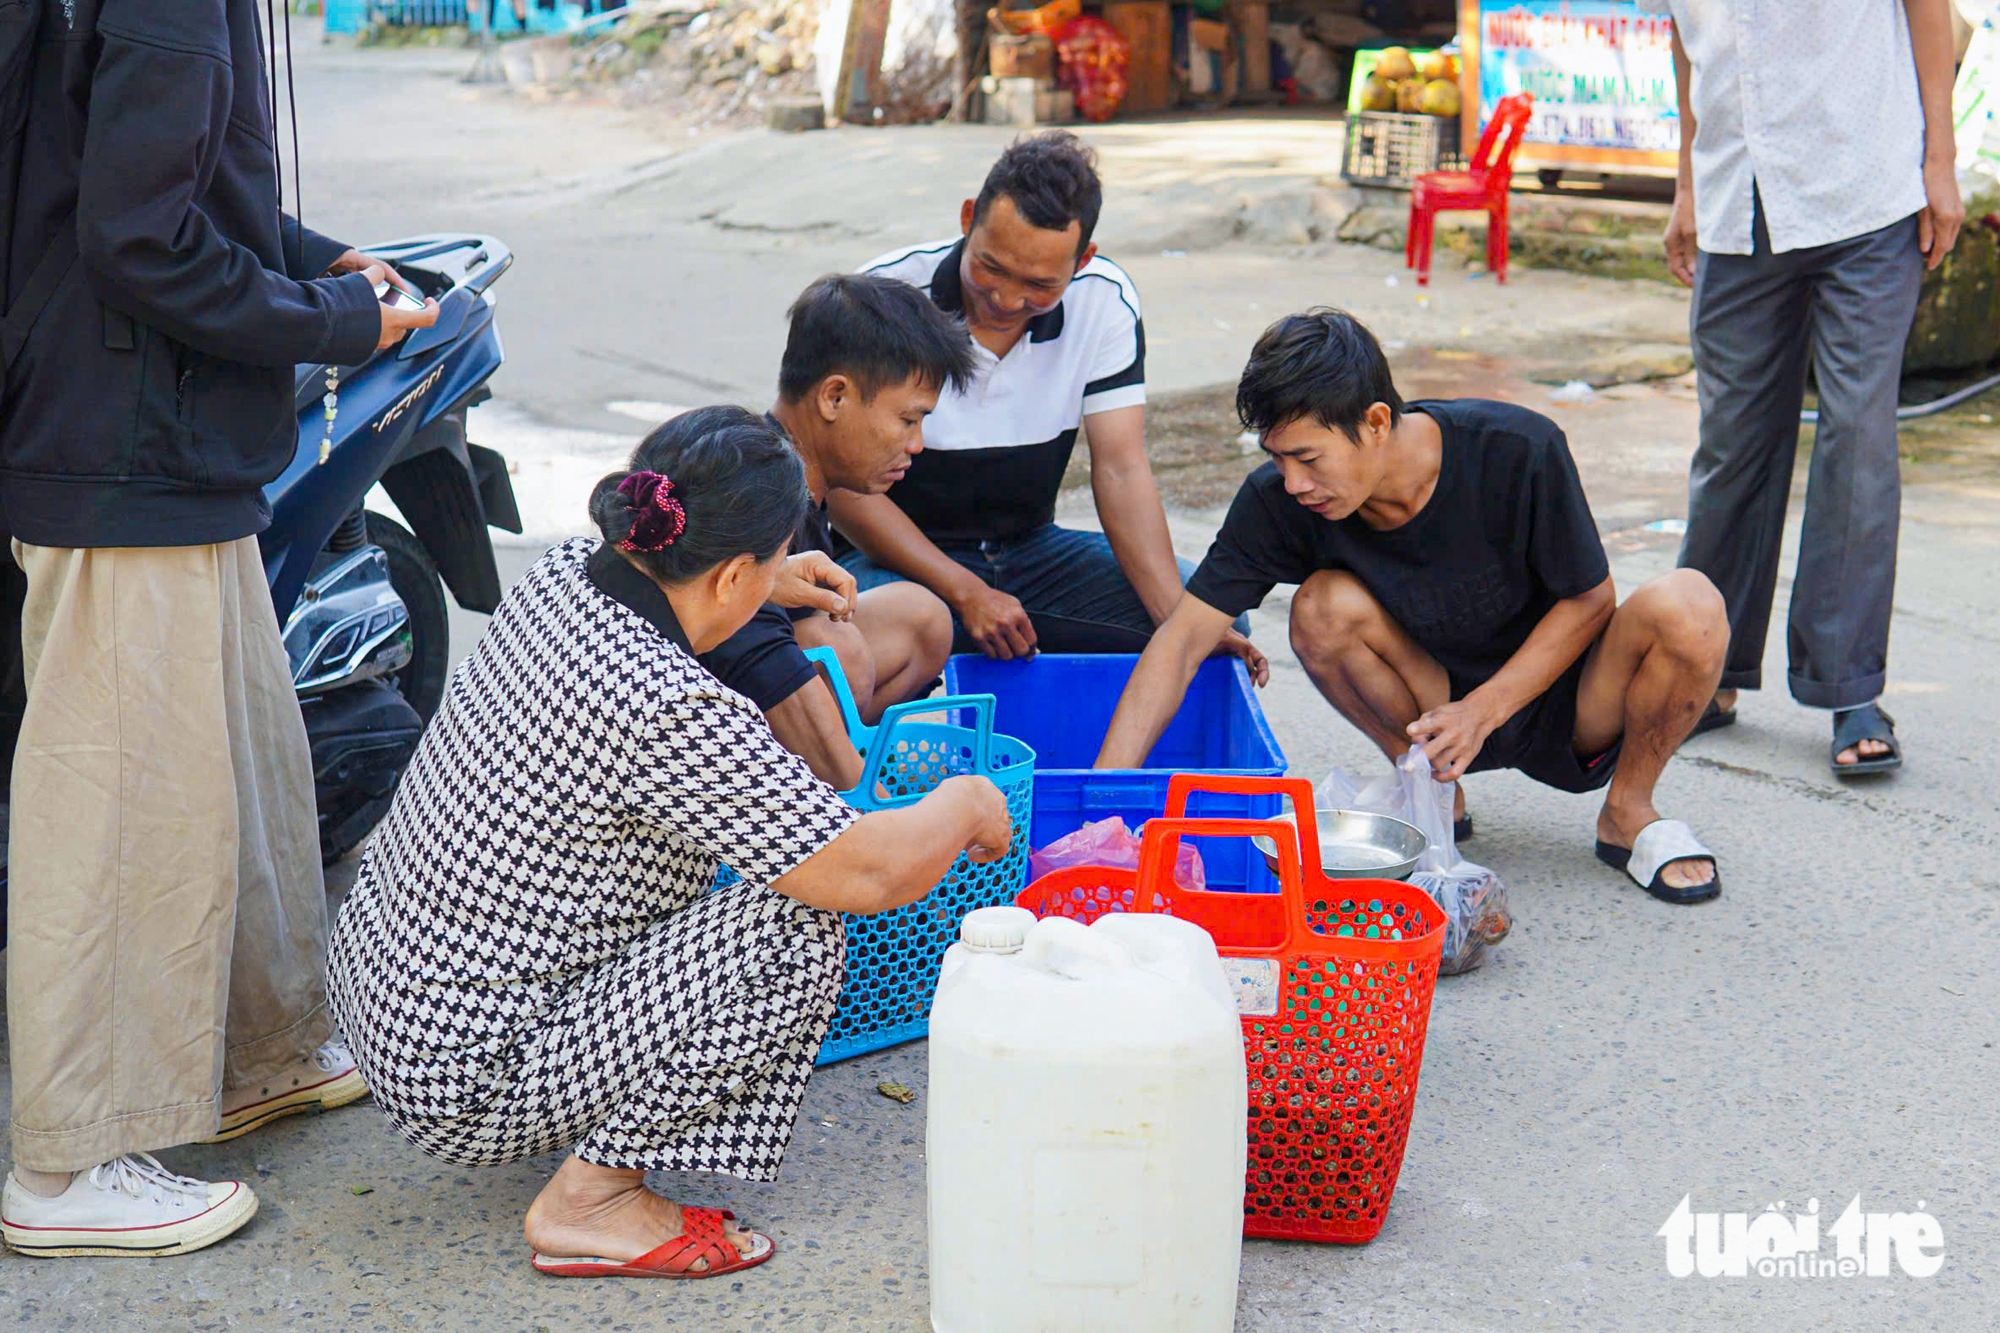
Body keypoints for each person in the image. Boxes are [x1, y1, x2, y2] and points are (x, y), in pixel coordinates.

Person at [325, 409, 1012, 1280]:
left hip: (381, 994)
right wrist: (964, 801)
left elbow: (682, 600)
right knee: (797, 927)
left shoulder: (564, 576)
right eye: (765, 562)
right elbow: (866, 869)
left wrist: (767, 579)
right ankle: (591, 1201)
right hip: (462, 1077)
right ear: (726, 575)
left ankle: (584, 1136)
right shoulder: (668, 705)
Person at [0, 0, 438, 1256]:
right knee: (121, 816)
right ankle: (64, 1164)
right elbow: (140, 237)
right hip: (123, 443)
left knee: (239, 773)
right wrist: (341, 322)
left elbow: (166, 188)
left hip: (163, 433)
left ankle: (255, 1059)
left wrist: (324, 258)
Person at [1097, 311, 1733, 904]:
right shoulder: (1277, 503)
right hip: (1428, 717)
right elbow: (1182, 641)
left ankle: (1629, 810)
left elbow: (1590, 598)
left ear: (1377, 422)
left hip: (1570, 700)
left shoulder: (1515, 448)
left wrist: (1484, 710)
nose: (1293, 483)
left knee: (1691, 603)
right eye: (1277, 458)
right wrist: (1099, 809)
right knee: (1320, 608)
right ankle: (1430, 795)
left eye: (1309, 458)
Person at [1646, 0, 1963, 774]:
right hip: (1735, 195)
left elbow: (1929, 8)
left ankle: (1848, 685)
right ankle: (1707, 668)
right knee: (1731, 445)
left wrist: (1940, 160)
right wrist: (1687, 185)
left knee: (1856, 437)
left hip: (1867, 186)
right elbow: (1687, 39)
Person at [837, 132, 1261, 671]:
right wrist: (968, 593)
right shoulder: (884, 295)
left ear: (1083, 260)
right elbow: (844, 489)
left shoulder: (1104, 301)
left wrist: (1176, 628)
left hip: (1032, 555)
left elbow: (1122, 469)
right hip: (895, 561)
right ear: (968, 219)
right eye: (991, 267)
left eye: (1039, 284)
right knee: (864, 636)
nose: (1007, 299)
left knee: (1211, 623)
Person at [698, 274, 975, 788]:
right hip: (705, 730)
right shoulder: (758, 493)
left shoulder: (799, 475)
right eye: (907, 420)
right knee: (837, 645)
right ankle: (804, 789)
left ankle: (843, 755)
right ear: (834, 397)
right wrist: (876, 814)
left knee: (923, 620)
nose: (917, 444)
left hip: (764, 677)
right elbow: (751, 653)